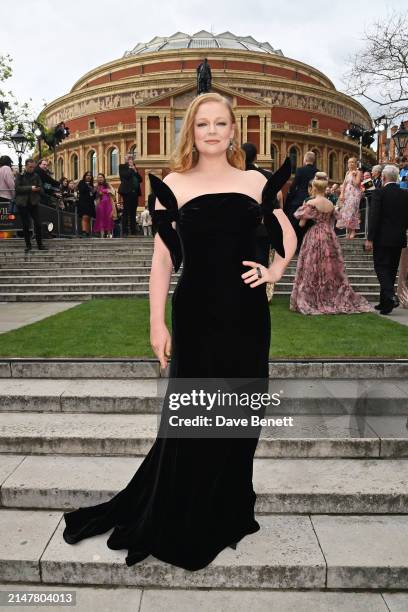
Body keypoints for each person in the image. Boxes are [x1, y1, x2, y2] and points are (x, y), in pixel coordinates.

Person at [62, 92, 297, 571]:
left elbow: (287, 233)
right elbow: (162, 260)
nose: (211, 131)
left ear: (234, 131)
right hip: (194, 313)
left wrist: (274, 272)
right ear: (190, 131)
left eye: (220, 123)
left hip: (246, 314)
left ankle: (227, 504)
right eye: (202, 124)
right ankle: (186, 505)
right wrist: (155, 322)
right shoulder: (173, 183)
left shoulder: (255, 181)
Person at [290, 172, 372, 315]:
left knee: (312, 266)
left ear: (314, 188)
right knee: (330, 268)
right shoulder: (330, 204)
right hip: (329, 236)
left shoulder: (310, 203)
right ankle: (328, 295)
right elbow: (334, 221)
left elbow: (302, 223)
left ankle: (313, 297)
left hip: (315, 235)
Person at [366, 164, 408, 315]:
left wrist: (370, 238)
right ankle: (385, 304)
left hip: (382, 238)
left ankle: (390, 296)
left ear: (383, 178)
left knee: (381, 267)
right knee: (390, 269)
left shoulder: (379, 193)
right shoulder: (405, 194)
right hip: (398, 238)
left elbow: (374, 216)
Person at [284, 151, 318, 250]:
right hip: (313, 201)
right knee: (309, 225)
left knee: (294, 224)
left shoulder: (300, 170)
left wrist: (289, 199)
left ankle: (295, 246)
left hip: (299, 200)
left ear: (305, 159)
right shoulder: (317, 171)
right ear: (313, 160)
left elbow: (294, 185)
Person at [14, 158, 48, 253]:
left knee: (38, 223)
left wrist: (38, 189)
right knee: (25, 225)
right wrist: (30, 188)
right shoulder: (20, 175)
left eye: (33, 167)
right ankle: (28, 245)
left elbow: (41, 188)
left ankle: (40, 244)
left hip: (34, 202)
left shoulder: (36, 176)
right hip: (23, 203)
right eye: (30, 167)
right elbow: (17, 188)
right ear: (26, 166)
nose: (32, 169)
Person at [336, 157, 362, 239]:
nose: (350, 164)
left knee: (352, 212)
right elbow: (344, 184)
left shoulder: (358, 172)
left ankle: (353, 231)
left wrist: (354, 176)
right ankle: (348, 231)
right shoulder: (347, 173)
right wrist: (342, 194)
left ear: (356, 163)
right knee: (345, 212)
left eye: (352, 162)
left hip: (354, 194)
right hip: (347, 194)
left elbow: (357, 184)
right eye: (349, 162)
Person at [119, 154, 142, 236]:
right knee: (126, 211)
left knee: (133, 212)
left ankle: (133, 231)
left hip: (135, 193)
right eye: (128, 158)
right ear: (125, 159)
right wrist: (131, 168)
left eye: (131, 158)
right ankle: (125, 231)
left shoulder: (134, 167)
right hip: (127, 192)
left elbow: (140, 179)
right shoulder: (122, 166)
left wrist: (135, 170)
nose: (130, 159)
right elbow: (126, 176)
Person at [93, 173, 116, 238]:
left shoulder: (108, 184)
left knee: (109, 218)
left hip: (108, 203)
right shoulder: (96, 186)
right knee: (101, 218)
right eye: (98, 177)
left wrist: (107, 191)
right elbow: (93, 195)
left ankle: (109, 234)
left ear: (104, 178)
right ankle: (102, 234)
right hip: (100, 204)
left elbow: (113, 192)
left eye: (101, 177)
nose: (100, 178)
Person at [77, 172, 96, 237]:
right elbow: (82, 189)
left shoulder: (92, 185)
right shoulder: (81, 182)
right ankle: (84, 231)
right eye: (87, 175)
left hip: (90, 204)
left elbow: (93, 196)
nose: (89, 177)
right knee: (85, 217)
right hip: (83, 202)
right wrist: (89, 188)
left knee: (88, 218)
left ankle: (87, 232)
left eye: (90, 176)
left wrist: (94, 192)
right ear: (84, 176)